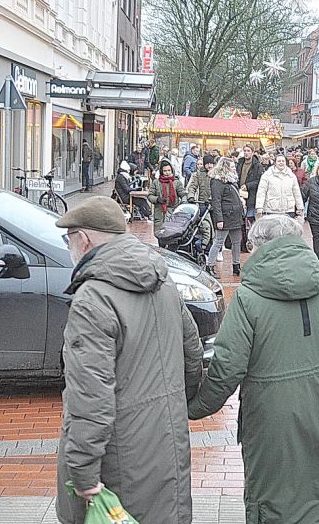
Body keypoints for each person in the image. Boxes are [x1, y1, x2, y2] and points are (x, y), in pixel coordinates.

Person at [187, 215, 319, 524]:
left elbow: (228, 365)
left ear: (260, 246)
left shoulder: (249, 297)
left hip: (269, 413)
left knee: (272, 490)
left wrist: (198, 406)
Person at [54, 196, 203, 524]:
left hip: (120, 460)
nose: (69, 248)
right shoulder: (163, 282)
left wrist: (82, 471)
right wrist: (176, 407)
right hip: (167, 443)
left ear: (84, 239)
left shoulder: (92, 299)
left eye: (69, 240)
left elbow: (91, 397)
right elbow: (192, 356)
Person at [207, 159, 246, 277]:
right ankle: (210, 265)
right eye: (232, 166)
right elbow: (216, 201)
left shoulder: (232, 180)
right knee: (218, 242)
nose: (235, 168)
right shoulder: (217, 181)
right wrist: (219, 219)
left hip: (235, 216)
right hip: (225, 216)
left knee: (236, 242)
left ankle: (236, 265)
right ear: (225, 167)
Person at [256, 154, 304, 218]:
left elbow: (297, 192)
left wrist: (299, 207)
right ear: (275, 163)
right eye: (279, 161)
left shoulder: (291, 176)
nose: (281, 163)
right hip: (271, 210)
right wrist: (259, 207)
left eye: (283, 161)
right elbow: (261, 191)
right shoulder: (267, 175)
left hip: (288, 210)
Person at [148, 160, 186, 232]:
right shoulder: (156, 182)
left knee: (173, 233)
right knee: (160, 233)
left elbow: (183, 194)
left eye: (169, 170)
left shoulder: (176, 182)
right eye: (165, 171)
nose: (167, 172)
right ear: (162, 172)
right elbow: (150, 195)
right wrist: (157, 199)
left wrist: (182, 203)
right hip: (160, 212)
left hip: (173, 211)